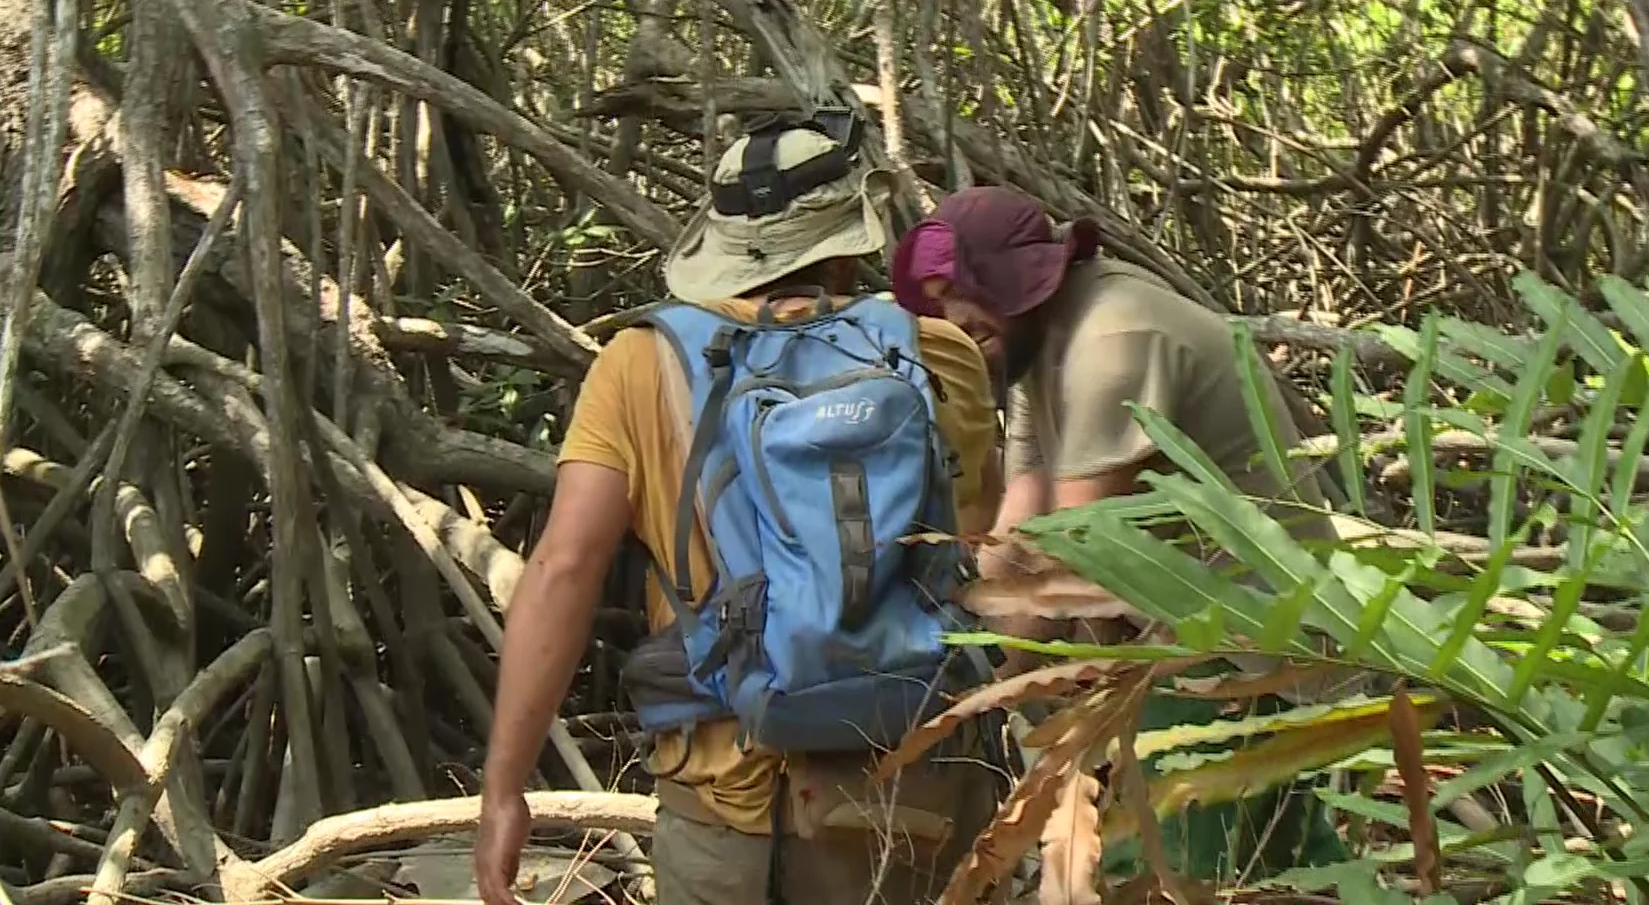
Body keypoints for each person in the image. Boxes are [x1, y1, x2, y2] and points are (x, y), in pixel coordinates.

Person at [475, 122, 1005, 905]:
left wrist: (504, 789)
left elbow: (562, 569)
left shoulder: (638, 363)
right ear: (848, 241)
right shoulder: (934, 352)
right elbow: (975, 546)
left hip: (721, 808)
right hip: (905, 790)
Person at [889, 184, 1352, 883]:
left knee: (1175, 875)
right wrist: (966, 666)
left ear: (1020, 288)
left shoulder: (1113, 337)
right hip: (1186, 641)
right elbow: (1019, 530)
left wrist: (966, 709)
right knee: (1289, 870)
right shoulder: (1034, 347)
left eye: (968, 310)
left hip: (1247, 654)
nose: (954, 323)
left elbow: (1060, 561)